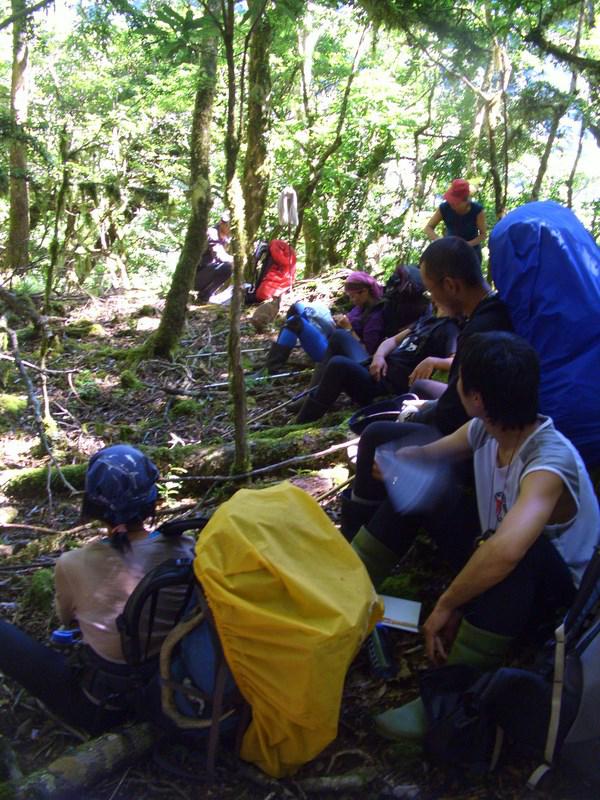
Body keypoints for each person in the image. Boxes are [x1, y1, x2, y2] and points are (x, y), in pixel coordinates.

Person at [358, 332, 600, 741]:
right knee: (422, 487)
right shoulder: (485, 429)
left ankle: (452, 693)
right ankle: (346, 585)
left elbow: (507, 551)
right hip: (498, 560)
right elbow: (426, 457)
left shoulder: (548, 462)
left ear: (477, 398)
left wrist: (449, 603)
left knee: (521, 552)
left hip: (554, 605)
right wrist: (398, 462)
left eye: (460, 380)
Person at [0, 445, 194, 734]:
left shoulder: (72, 563)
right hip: (174, 689)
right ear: (152, 500)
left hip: (102, 707)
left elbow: (66, 620)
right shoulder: (186, 548)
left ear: (93, 505)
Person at [341, 236, 513, 539]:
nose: (432, 299)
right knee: (420, 388)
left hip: (477, 431)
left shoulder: (480, 331)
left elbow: (456, 415)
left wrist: (416, 415)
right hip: (473, 416)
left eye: (432, 290)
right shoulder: (491, 311)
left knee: (375, 435)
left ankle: (355, 531)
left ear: (451, 285)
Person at [294, 306, 459, 423]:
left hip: (384, 387)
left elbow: (456, 360)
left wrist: (433, 361)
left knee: (338, 365)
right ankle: (311, 395)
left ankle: (303, 420)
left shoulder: (450, 328)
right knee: (339, 336)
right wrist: (379, 356)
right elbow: (392, 341)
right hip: (375, 368)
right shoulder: (427, 321)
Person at [261, 271, 386, 375]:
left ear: (364, 292)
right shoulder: (360, 307)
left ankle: (270, 369)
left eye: (353, 296)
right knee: (298, 309)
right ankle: (276, 360)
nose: (351, 300)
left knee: (295, 322)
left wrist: (349, 329)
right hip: (332, 340)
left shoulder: (375, 317)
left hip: (339, 354)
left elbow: (366, 353)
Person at [424, 179, 487, 263]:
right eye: (451, 201)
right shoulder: (444, 208)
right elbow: (428, 228)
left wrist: (466, 245)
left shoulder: (477, 210)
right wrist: (440, 241)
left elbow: (483, 235)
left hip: (471, 254)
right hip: (450, 252)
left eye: (455, 202)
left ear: (466, 201)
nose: (451, 204)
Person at [194, 212, 234, 302]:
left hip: (206, 273)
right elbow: (220, 256)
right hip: (195, 276)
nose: (229, 228)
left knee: (226, 268)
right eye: (227, 224)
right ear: (221, 223)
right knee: (227, 268)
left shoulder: (226, 238)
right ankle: (204, 296)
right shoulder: (212, 233)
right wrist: (237, 260)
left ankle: (204, 296)